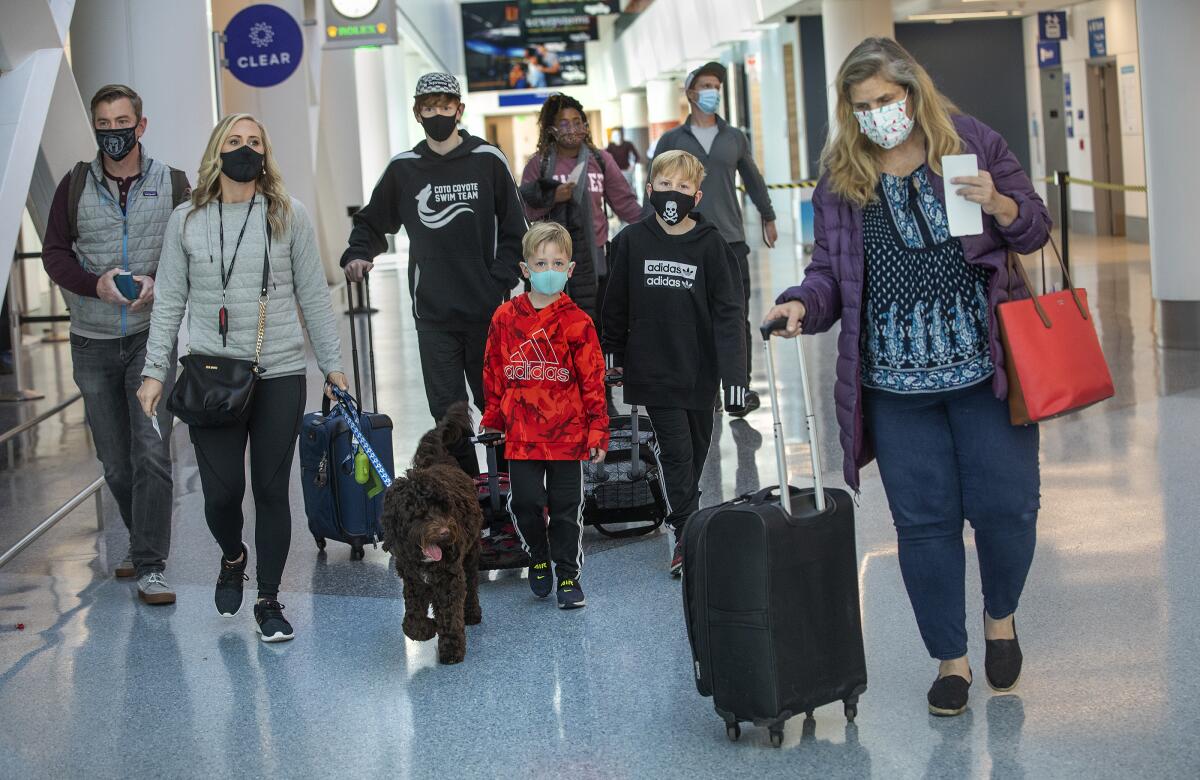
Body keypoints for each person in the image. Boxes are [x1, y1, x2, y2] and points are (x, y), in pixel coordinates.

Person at [763, 38, 1050, 717]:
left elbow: (1035, 228)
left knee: (1009, 510)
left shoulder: (971, 143)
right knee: (923, 527)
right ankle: (951, 659)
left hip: (988, 375)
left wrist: (1002, 207)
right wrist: (803, 303)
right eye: (862, 107)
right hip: (895, 389)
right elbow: (830, 272)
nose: (877, 115)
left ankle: (1000, 617)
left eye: (887, 101)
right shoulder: (841, 176)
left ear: (913, 92)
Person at [137, 113, 348, 643]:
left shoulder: (287, 214)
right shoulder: (186, 220)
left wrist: (333, 365)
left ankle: (270, 599)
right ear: (216, 151)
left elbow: (313, 297)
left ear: (266, 153)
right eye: (234, 141)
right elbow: (168, 303)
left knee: (272, 490)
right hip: (211, 376)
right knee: (221, 495)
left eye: (254, 141)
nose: (244, 149)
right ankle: (234, 556)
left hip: (277, 370)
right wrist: (153, 371)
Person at [40, 84, 189, 605]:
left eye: (122, 123)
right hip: (92, 341)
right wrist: (94, 284)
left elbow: (191, 252)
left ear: (140, 126)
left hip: (150, 340)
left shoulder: (173, 184)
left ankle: (150, 564)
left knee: (150, 452)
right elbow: (54, 253)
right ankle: (142, 539)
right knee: (115, 461)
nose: (113, 134)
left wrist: (158, 283)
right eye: (103, 126)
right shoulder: (74, 185)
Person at [341, 73, 526, 476]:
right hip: (433, 315)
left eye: (445, 106)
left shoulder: (488, 160)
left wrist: (499, 280)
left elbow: (517, 229)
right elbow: (372, 222)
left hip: (489, 314)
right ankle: (469, 491)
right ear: (417, 113)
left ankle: (511, 491)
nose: (438, 114)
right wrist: (358, 254)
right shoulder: (404, 169)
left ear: (460, 110)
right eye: (429, 107)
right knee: (448, 416)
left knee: (499, 406)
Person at [602, 150, 747, 577]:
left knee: (698, 449)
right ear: (649, 190)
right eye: (664, 185)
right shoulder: (631, 241)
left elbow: (729, 313)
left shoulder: (711, 245)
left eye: (683, 187)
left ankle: (684, 514)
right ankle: (687, 534)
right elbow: (616, 302)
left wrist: (735, 376)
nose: (673, 193)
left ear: (697, 196)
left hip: (699, 371)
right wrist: (613, 354)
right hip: (654, 368)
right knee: (678, 452)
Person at [480, 222, 608, 610]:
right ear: (524, 269)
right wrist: (493, 419)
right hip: (522, 435)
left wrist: (598, 429)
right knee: (526, 504)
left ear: (569, 270)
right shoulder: (505, 318)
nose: (548, 269)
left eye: (557, 262)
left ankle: (568, 572)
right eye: (540, 262)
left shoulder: (578, 323)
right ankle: (538, 553)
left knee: (568, 510)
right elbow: (493, 371)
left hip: (568, 436)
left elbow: (592, 381)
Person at [650, 62, 778, 417]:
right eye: (706, 84)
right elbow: (655, 190)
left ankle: (739, 389)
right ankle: (705, 388)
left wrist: (768, 215)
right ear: (690, 93)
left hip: (731, 241)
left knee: (735, 316)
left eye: (717, 85)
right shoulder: (672, 140)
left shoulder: (734, 136)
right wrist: (652, 234)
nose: (713, 91)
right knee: (693, 317)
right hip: (684, 242)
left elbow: (752, 179)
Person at [520, 94, 644, 328]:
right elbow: (524, 212)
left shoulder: (600, 160)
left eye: (577, 122)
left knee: (593, 324)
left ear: (586, 127)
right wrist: (553, 198)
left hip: (595, 257)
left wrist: (658, 228)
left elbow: (625, 204)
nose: (572, 129)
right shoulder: (540, 164)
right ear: (551, 129)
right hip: (551, 261)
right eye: (564, 123)